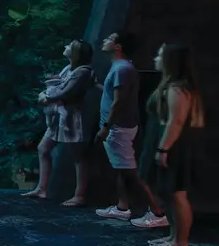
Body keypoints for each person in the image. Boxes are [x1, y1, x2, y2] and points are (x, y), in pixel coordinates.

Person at [95, 31, 165, 223]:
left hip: (117, 128)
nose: (104, 40)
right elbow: (116, 95)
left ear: (118, 47)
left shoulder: (121, 69)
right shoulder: (121, 68)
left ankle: (158, 213)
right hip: (119, 126)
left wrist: (106, 127)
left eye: (109, 39)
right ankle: (122, 206)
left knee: (131, 173)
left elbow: (119, 102)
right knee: (121, 168)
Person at [141, 43, 205, 246]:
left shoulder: (178, 88)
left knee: (177, 194)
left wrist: (163, 149)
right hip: (166, 143)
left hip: (174, 146)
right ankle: (173, 236)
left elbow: (176, 121)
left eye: (160, 56)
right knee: (169, 194)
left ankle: (181, 241)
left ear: (170, 61)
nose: (155, 59)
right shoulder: (170, 85)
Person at [22, 39, 96, 206]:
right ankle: (41, 188)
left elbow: (67, 91)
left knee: (78, 156)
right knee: (43, 148)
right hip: (58, 117)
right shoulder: (68, 68)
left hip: (71, 117)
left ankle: (79, 195)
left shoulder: (82, 71)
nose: (65, 47)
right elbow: (58, 85)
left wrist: (46, 97)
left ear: (76, 52)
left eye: (69, 46)